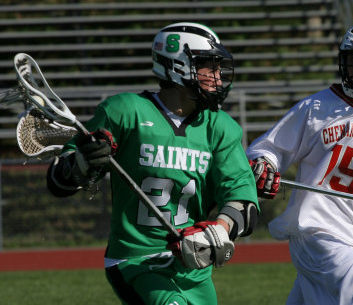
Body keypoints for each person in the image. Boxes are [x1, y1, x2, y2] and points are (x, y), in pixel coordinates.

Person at [46, 22, 259, 305]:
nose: (217, 78)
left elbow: (243, 202)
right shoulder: (125, 111)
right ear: (178, 65)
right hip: (137, 259)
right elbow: (59, 181)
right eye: (208, 67)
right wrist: (84, 162)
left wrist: (217, 231)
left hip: (193, 266)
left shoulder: (220, 127)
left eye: (219, 69)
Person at [246, 21, 353, 304]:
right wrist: (264, 163)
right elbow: (267, 148)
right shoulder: (315, 108)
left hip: (351, 236)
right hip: (315, 232)